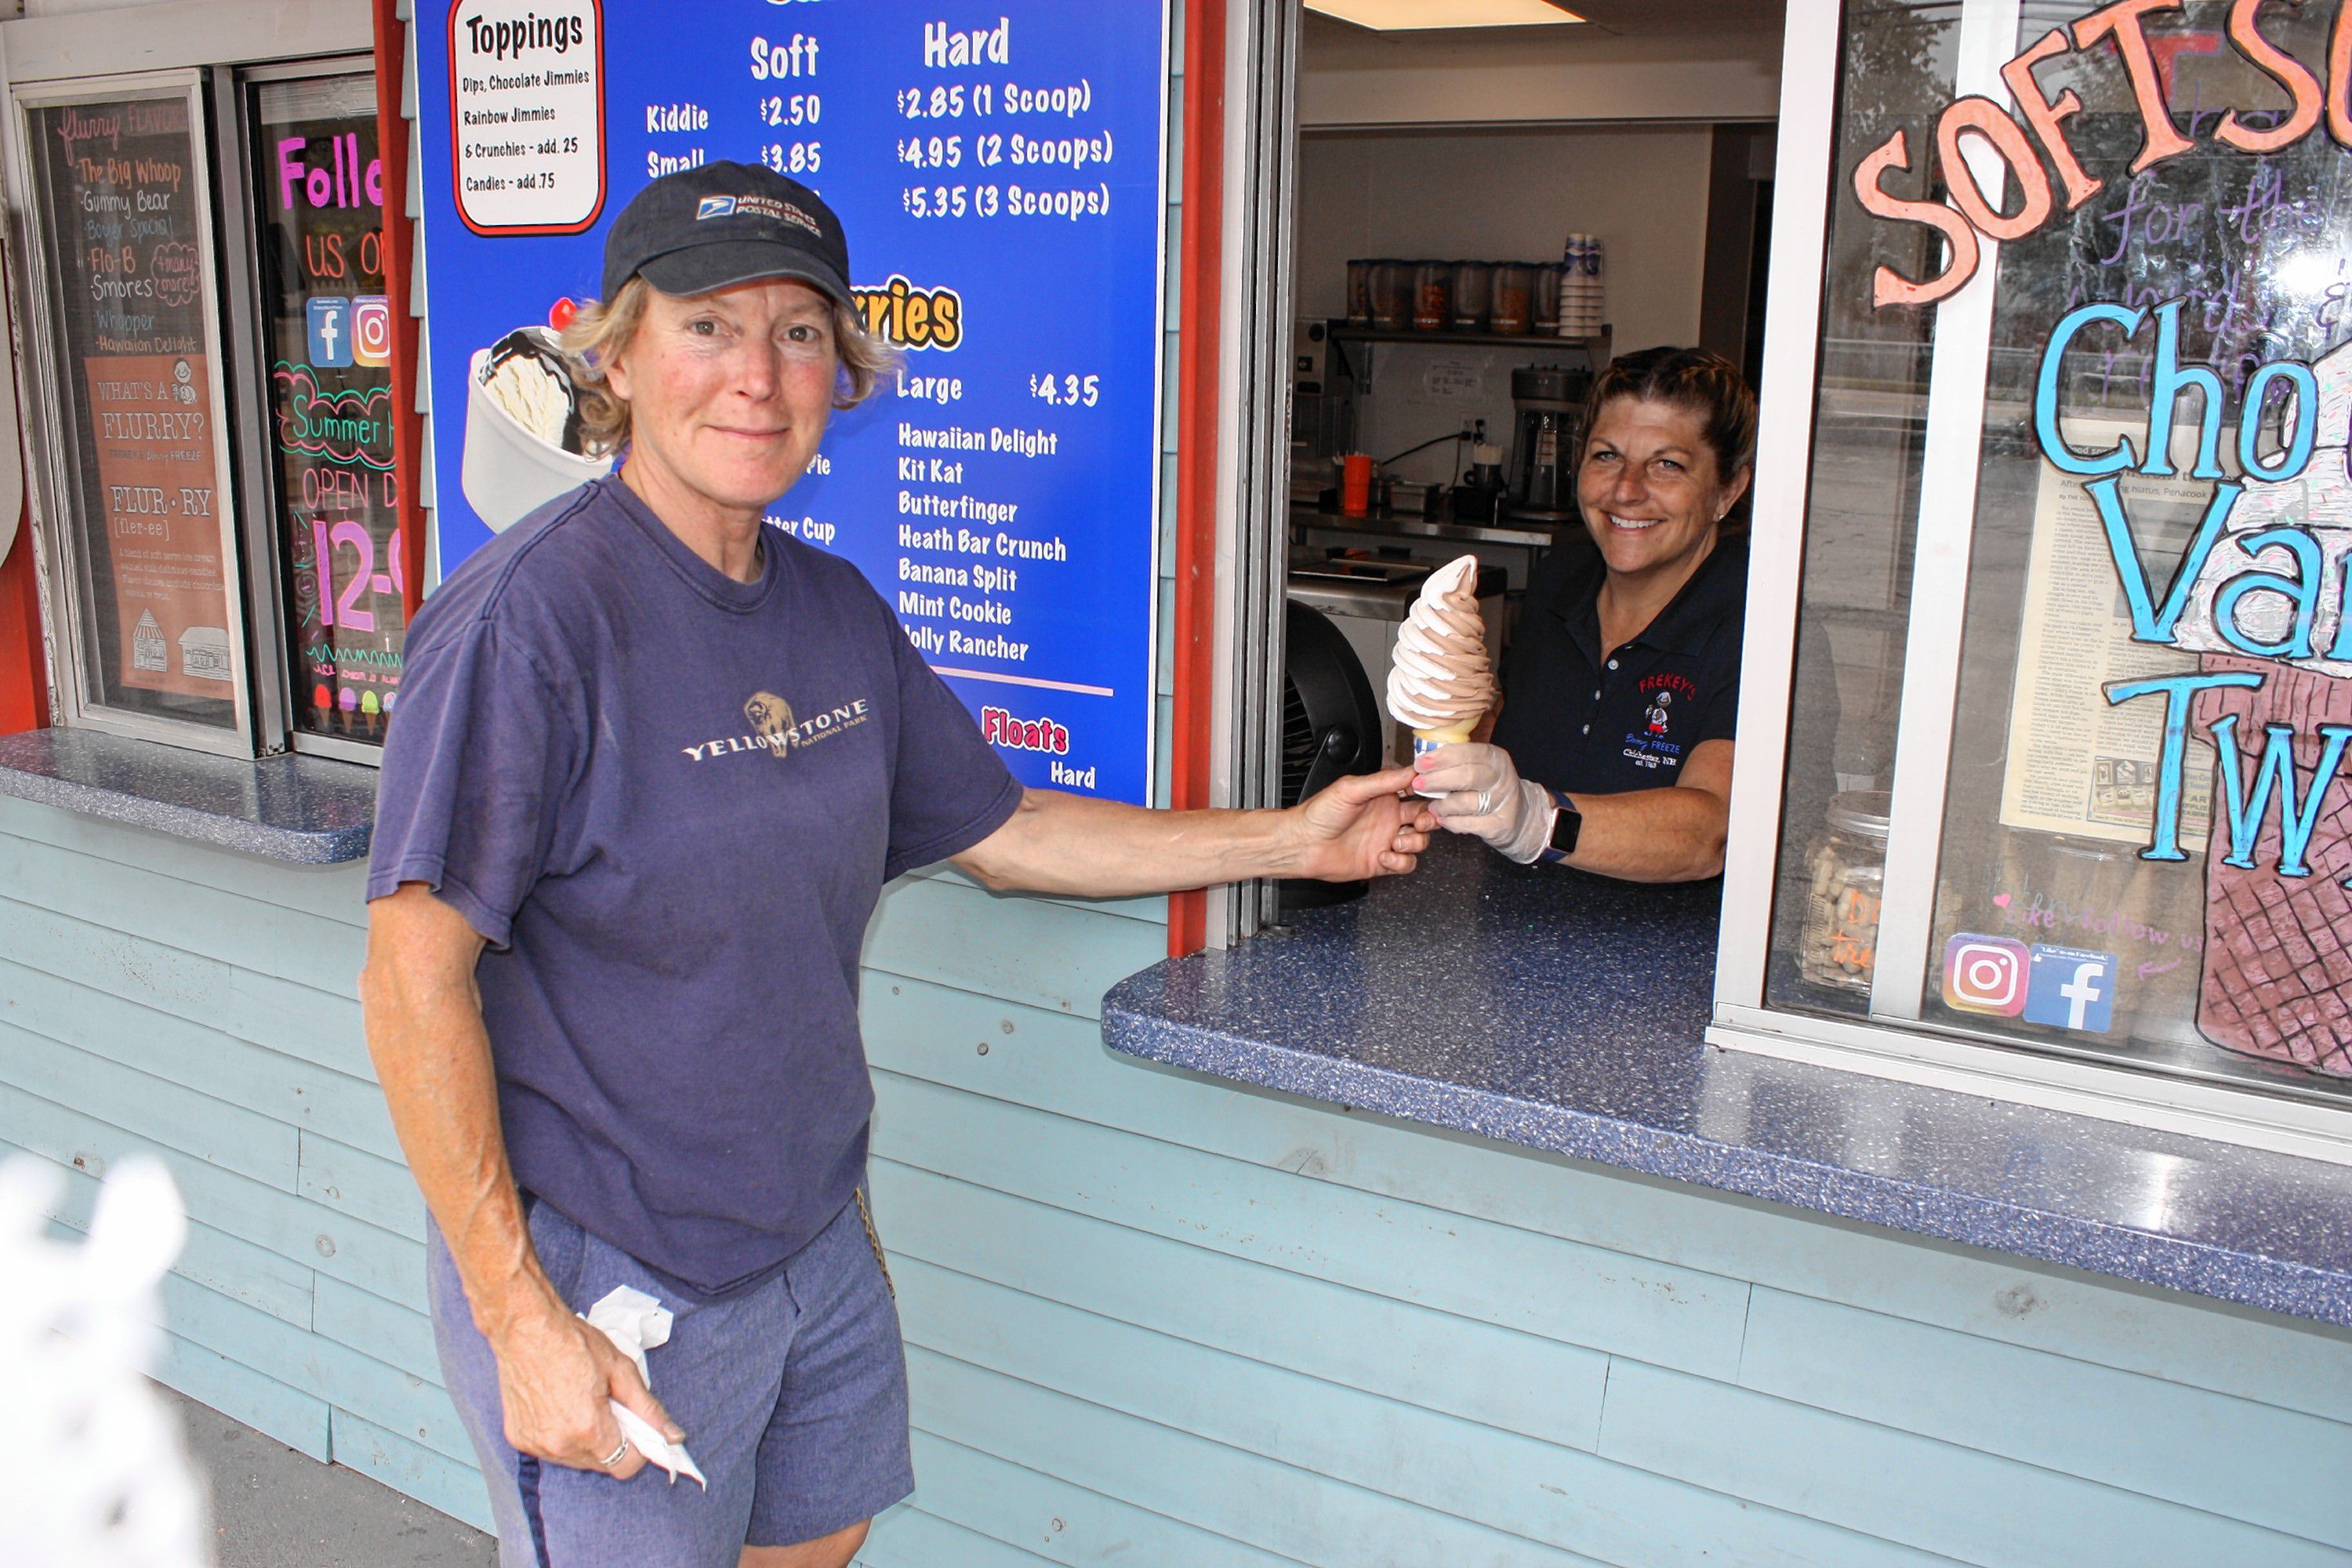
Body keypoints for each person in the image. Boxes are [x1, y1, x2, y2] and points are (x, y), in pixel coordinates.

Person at [359, 162, 1433, 1568]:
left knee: (823, 1539)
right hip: (607, 1263)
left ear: (841, 372)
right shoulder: (527, 622)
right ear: (618, 353)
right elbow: (408, 979)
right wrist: (520, 1321)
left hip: (809, 1236)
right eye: (707, 325)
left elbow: (1007, 832)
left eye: (799, 331)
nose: (758, 375)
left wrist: (1298, 838)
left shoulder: (829, 608)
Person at [1416, 347, 1756, 882]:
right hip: (1510, 938)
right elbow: (1504, 739)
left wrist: (1539, 821)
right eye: (1606, 456)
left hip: (1673, 958)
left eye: (1667, 464)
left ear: (1728, 489)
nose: (1626, 489)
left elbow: (1711, 830)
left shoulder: (1761, 623)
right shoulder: (1560, 581)